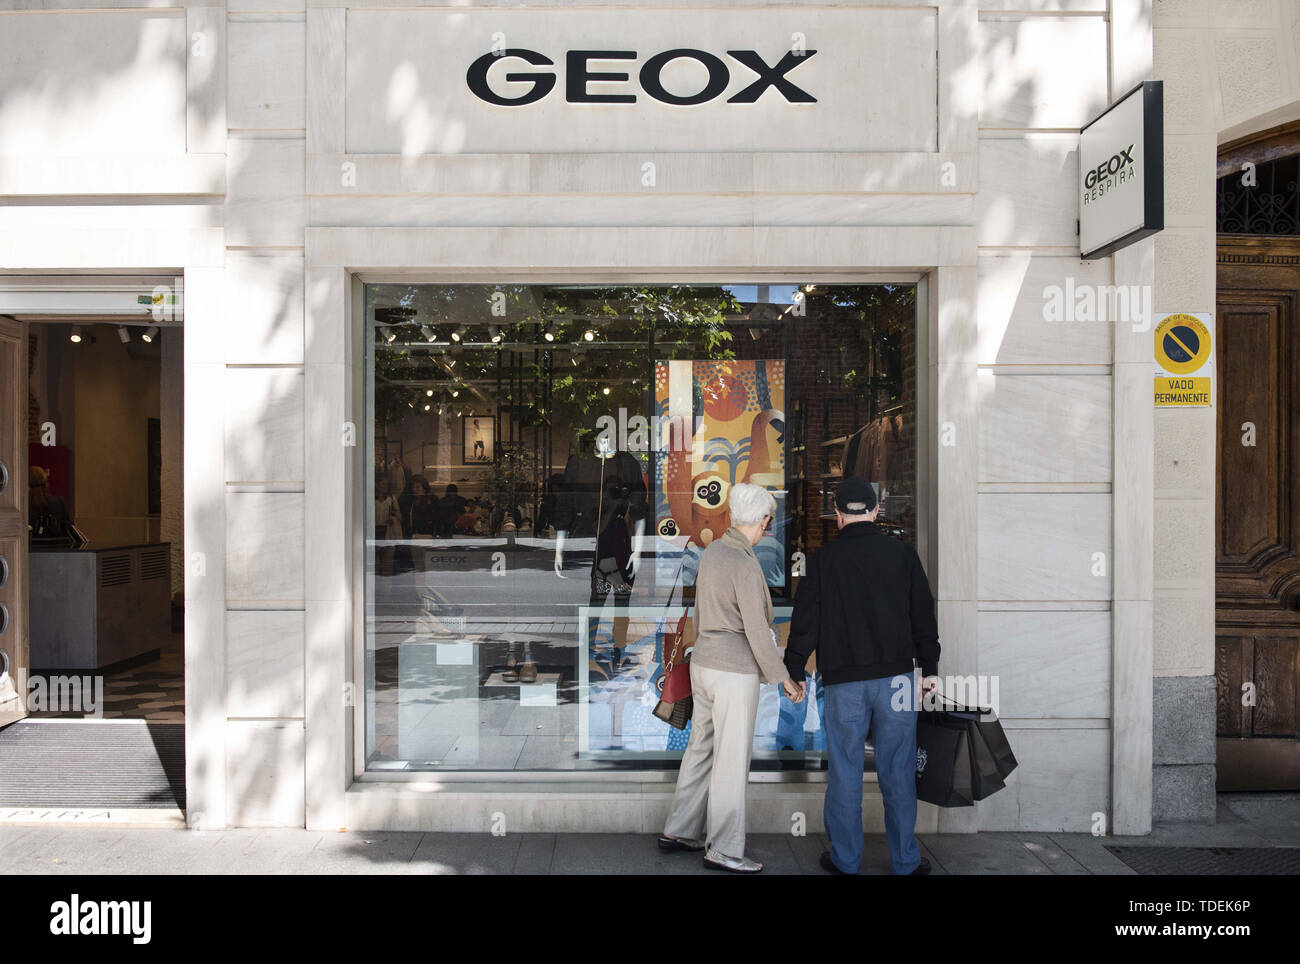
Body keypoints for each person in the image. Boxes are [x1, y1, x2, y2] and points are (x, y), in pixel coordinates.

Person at [785, 475, 940, 876]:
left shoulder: (823, 561)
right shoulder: (903, 556)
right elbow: (923, 616)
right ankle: (905, 860)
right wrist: (931, 669)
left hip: (844, 682)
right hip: (897, 681)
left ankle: (845, 859)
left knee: (846, 770)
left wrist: (795, 669)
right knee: (898, 770)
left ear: (837, 515)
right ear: (875, 511)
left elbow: (806, 621)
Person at [659, 481, 803, 873]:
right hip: (733, 671)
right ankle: (722, 848)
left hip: (704, 663)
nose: (767, 529)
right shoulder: (744, 562)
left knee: (701, 749)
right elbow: (757, 630)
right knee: (730, 760)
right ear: (762, 520)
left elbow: (702, 613)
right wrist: (782, 677)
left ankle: (680, 829)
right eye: (767, 523)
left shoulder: (714, 553)